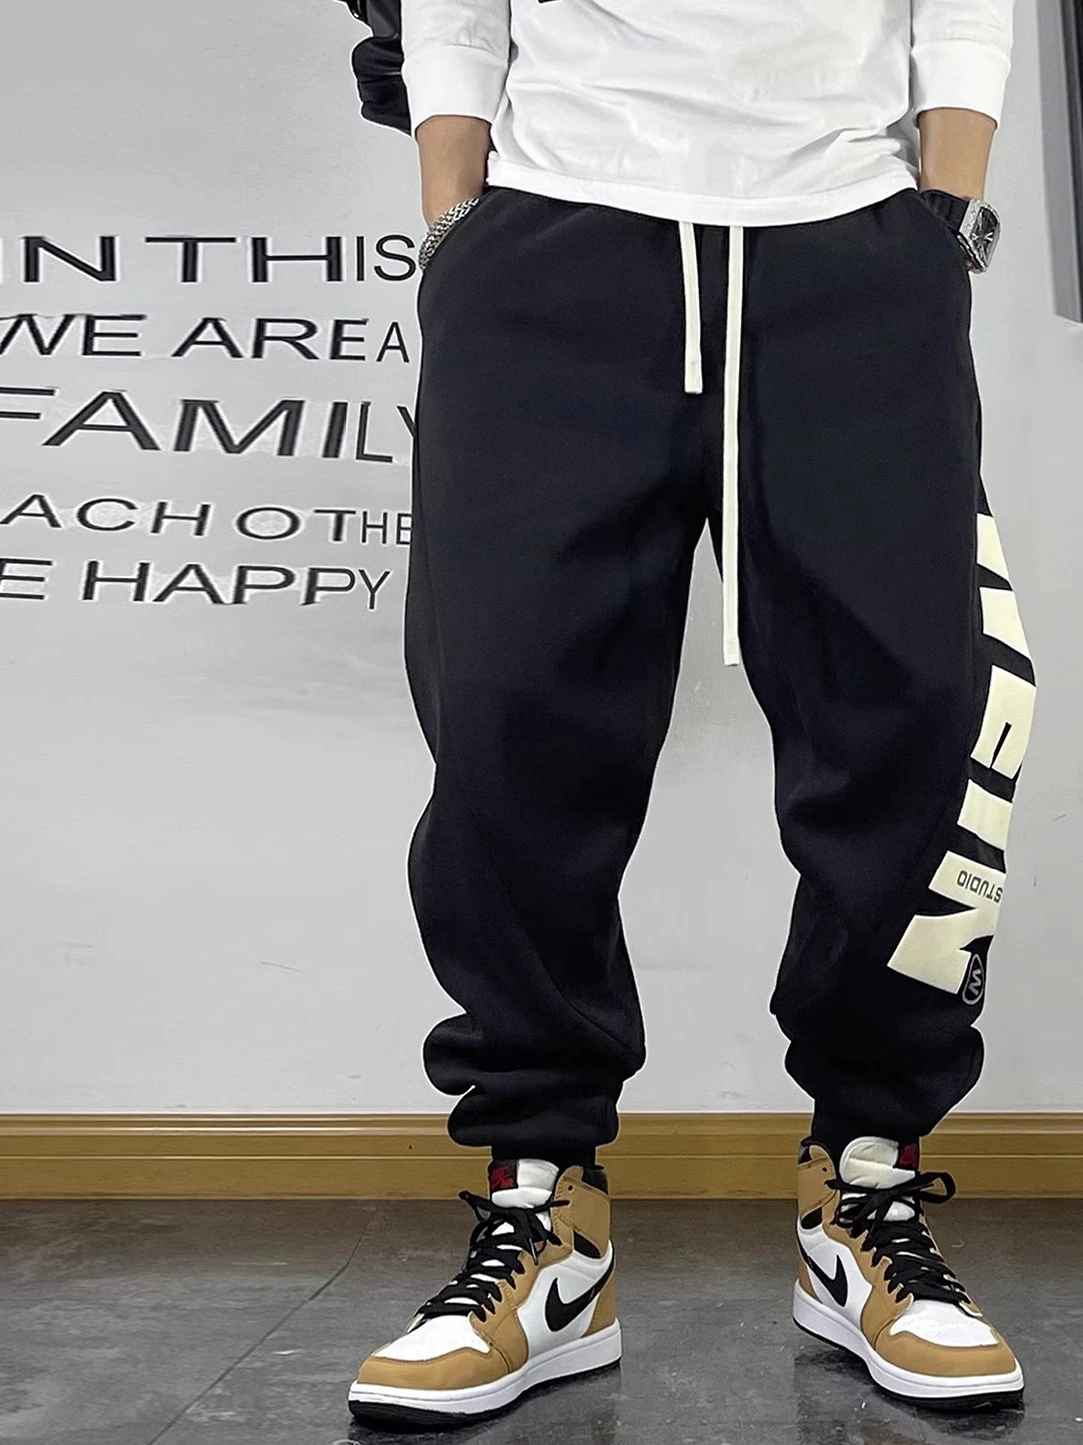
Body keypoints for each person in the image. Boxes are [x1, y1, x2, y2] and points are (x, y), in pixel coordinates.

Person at [339, 0, 1036, 1425]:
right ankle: (544, 1213)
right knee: (506, 724)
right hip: (556, 233)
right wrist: (455, 213)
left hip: (851, 241)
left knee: (909, 715)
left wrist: (942, 209)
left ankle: (864, 1187)